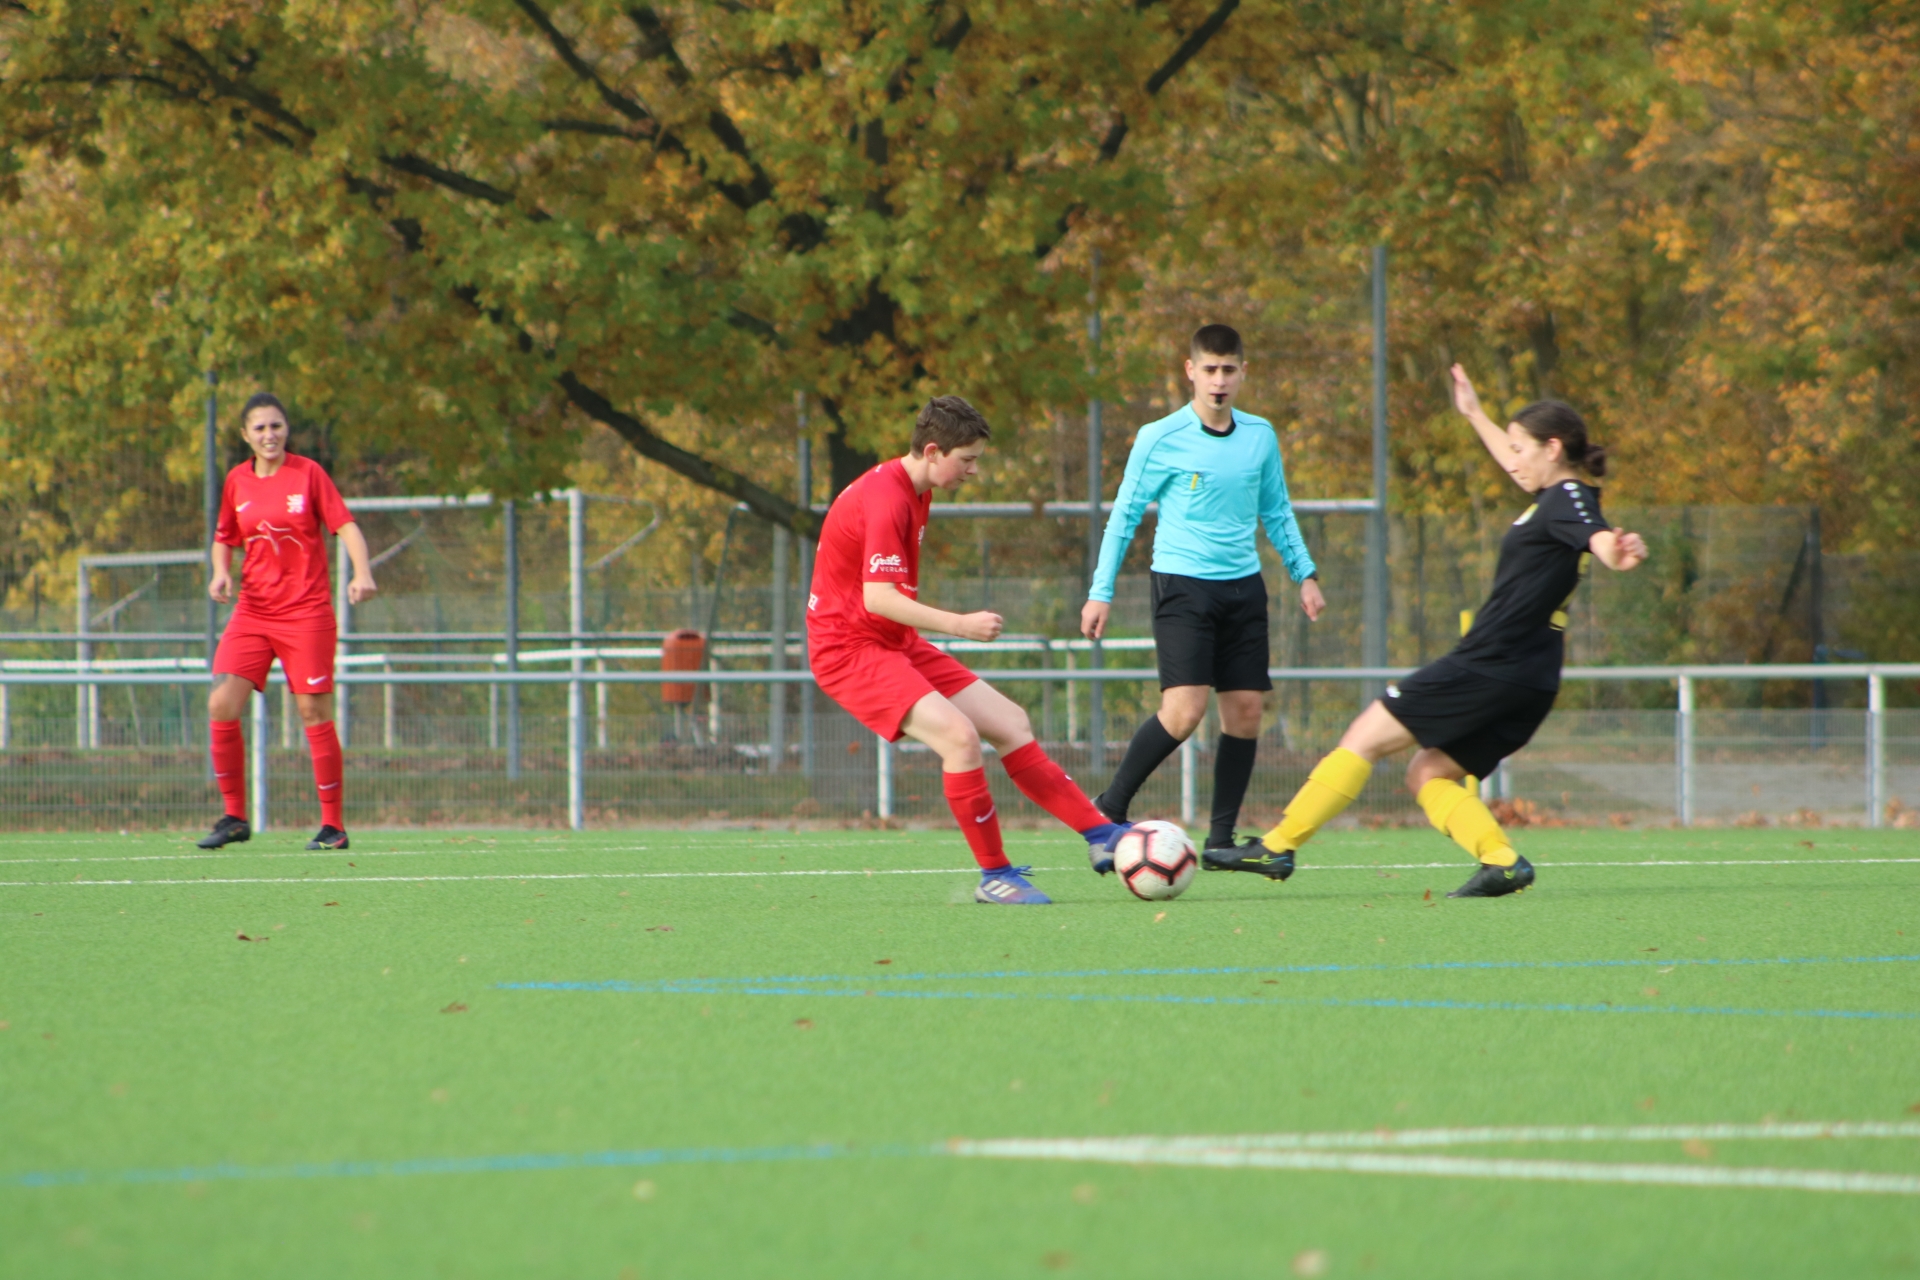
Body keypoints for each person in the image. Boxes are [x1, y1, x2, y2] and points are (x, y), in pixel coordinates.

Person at [1252, 366, 1649, 897]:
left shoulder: (1569, 498)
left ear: (1553, 449)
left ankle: (1278, 846)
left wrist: (1617, 555)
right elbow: (1540, 483)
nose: (1512, 460)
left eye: (1520, 448)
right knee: (1428, 772)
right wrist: (1474, 415)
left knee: (1363, 738)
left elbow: (1598, 539)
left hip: (1492, 663)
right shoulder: (1556, 497)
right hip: (1527, 676)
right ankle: (1502, 861)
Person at [808, 396, 1131, 904]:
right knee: (959, 739)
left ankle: (1100, 834)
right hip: (848, 651)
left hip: (893, 641)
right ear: (933, 451)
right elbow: (879, 597)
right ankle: (995, 876)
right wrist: (959, 624)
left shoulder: (915, 489)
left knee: (1009, 722)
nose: (973, 471)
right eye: (968, 460)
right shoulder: (889, 496)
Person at [1080, 324, 1325, 876]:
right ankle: (1107, 811)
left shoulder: (1260, 436)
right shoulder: (1159, 437)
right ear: (1189, 371)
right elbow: (1123, 516)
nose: (1219, 381)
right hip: (1183, 586)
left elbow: (1277, 511)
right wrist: (1101, 591)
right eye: (1209, 369)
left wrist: (1304, 574)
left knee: (1245, 712)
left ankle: (1219, 841)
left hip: (1244, 588)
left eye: (1229, 370)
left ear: (1244, 373)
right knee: (1185, 711)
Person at [196, 393, 377, 851]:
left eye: (276, 426)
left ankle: (333, 827)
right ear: (245, 436)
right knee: (221, 704)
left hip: (306, 614)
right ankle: (235, 816)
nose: (269, 435)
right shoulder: (237, 481)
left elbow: (346, 526)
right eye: (259, 428)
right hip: (253, 612)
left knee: (312, 712)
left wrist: (362, 573)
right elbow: (224, 537)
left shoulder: (308, 474)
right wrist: (220, 572)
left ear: (287, 430)